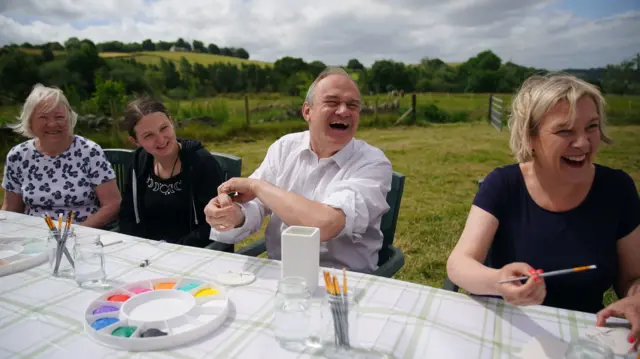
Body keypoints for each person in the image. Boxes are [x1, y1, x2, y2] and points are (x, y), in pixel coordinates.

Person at [446, 74, 640, 342]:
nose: (583, 143)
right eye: (565, 131)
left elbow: (632, 277)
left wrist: (636, 299)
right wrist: (499, 281)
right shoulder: (503, 184)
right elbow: (459, 264)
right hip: (506, 330)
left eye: (592, 127)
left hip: (583, 338)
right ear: (531, 136)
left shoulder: (617, 189)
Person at [204, 67, 393, 274]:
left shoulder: (373, 163)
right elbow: (255, 203)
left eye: (353, 105)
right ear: (307, 111)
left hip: (343, 282)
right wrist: (234, 215)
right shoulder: (285, 148)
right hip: (282, 274)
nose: (343, 111)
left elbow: (326, 224)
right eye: (332, 102)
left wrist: (256, 186)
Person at [118, 98, 233, 251]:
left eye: (164, 128)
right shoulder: (138, 162)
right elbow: (128, 216)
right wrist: (142, 248)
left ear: (171, 122)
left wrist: (173, 251)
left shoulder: (201, 162)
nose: (160, 139)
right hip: (148, 254)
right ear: (135, 141)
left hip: (193, 253)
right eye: (148, 136)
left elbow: (214, 224)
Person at [1, 84, 120, 227]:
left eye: (59, 117)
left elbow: (112, 203)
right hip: (34, 236)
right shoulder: (18, 155)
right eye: (43, 117)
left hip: (83, 235)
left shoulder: (89, 151)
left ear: (69, 119)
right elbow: (11, 209)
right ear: (30, 121)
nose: (52, 124)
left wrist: (77, 233)